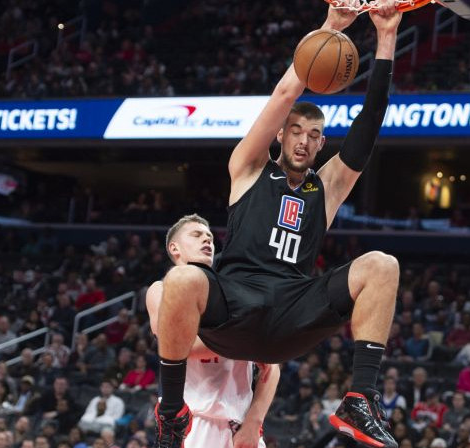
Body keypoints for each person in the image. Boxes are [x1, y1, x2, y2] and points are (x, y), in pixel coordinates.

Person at [154, 3, 403, 448]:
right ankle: (173, 412)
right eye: (296, 131)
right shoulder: (248, 168)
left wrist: (386, 35)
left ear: (322, 143)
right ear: (280, 135)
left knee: (382, 265)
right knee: (184, 278)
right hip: (234, 307)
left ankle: (360, 399)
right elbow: (283, 96)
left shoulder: (326, 187)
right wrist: (330, 28)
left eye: (313, 135)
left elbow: (369, 126)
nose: (304, 140)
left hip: (292, 312)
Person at [146, 214, 278, 448]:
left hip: (240, 427)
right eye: (196, 235)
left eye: (209, 237)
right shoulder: (161, 289)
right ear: (174, 248)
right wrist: (248, 338)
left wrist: (253, 423)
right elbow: (180, 347)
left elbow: (272, 369)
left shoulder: (233, 291)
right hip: (191, 425)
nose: (206, 240)